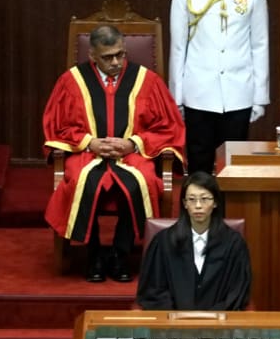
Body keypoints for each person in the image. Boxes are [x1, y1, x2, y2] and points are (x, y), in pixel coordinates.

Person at [44, 25, 185, 282]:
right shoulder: (71, 80)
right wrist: (89, 142)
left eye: (121, 54)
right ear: (93, 56)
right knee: (81, 182)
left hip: (133, 154)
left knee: (141, 182)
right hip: (88, 154)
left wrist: (133, 143)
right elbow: (57, 125)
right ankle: (94, 254)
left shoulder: (147, 80)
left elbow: (169, 126)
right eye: (108, 57)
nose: (116, 62)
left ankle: (121, 253)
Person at [169, 0, 269, 175]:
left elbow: (260, 45)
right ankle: (192, 214)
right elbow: (178, 47)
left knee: (233, 167)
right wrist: (176, 96)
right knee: (199, 161)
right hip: (198, 92)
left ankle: (230, 215)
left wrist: (259, 97)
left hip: (238, 91)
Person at [136, 171, 252, 311]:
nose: (198, 206)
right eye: (192, 199)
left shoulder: (233, 244)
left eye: (204, 199)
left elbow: (237, 292)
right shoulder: (164, 242)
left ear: (215, 202)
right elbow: (152, 291)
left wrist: (211, 320)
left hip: (219, 326)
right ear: (184, 203)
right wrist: (176, 320)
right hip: (173, 327)